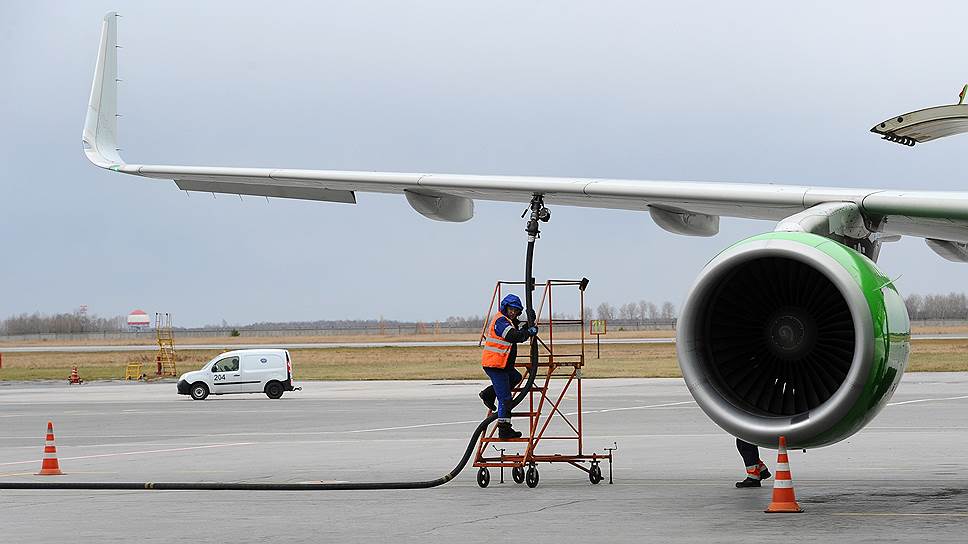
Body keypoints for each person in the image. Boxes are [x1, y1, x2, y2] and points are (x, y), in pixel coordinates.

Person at [479, 294, 538, 439]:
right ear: (505, 307)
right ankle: (504, 429)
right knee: (505, 398)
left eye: (516, 310)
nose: (513, 312)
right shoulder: (501, 321)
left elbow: (519, 332)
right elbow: (513, 336)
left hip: (503, 365)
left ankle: (488, 394)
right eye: (511, 309)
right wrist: (528, 333)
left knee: (516, 377)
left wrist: (530, 322)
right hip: (495, 365)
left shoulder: (508, 321)